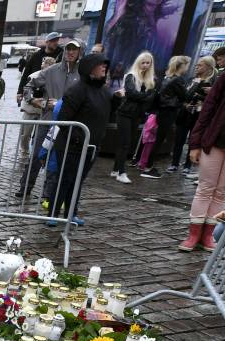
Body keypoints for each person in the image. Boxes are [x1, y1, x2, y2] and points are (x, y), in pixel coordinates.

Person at [51, 53, 120, 225]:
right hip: (70, 146)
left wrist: (117, 101)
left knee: (78, 181)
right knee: (64, 179)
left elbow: (107, 116)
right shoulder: (77, 90)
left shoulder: (104, 91)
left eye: (106, 65)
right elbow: (63, 119)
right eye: (100, 65)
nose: (104, 67)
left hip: (91, 147)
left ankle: (70, 213)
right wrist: (78, 138)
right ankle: (52, 214)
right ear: (90, 69)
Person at [17, 39, 81, 198]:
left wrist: (61, 104)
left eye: (74, 50)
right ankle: (25, 187)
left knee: (57, 161)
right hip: (47, 120)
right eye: (68, 49)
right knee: (37, 155)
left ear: (80, 52)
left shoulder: (82, 75)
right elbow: (28, 85)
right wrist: (33, 100)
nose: (70, 52)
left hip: (67, 125)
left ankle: (48, 195)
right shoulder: (51, 71)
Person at [185, 68, 225, 251]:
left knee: (222, 192)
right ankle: (194, 235)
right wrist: (195, 143)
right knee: (205, 188)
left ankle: (208, 235)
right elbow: (208, 109)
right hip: (215, 141)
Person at [141, 55, 190, 179]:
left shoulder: (168, 77)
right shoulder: (178, 80)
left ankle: (148, 166)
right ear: (182, 66)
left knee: (157, 140)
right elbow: (186, 96)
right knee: (158, 141)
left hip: (162, 112)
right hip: (168, 113)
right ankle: (148, 168)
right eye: (187, 65)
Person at [111, 51, 156, 185]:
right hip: (124, 113)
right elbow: (131, 94)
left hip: (136, 115)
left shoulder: (149, 80)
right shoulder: (131, 76)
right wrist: (146, 96)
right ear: (138, 63)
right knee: (125, 143)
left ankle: (116, 170)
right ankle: (121, 172)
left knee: (125, 144)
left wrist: (144, 96)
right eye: (143, 62)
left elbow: (150, 96)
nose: (145, 65)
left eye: (148, 63)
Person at [171, 56, 215, 176]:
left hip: (198, 116)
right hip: (185, 114)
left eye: (200, 65)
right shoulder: (191, 80)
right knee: (179, 139)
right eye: (197, 64)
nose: (196, 67)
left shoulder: (211, 83)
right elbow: (182, 97)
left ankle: (187, 166)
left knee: (193, 141)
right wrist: (185, 104)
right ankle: (174, 163)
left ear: (208, 67)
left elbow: (213, 101)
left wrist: (202, 98)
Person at [18, 56, 56, 155]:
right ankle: (24, 149)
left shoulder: (55, 79)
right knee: (25, 133)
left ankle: (35, 151)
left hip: (44, 111)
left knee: (39, 135)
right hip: (30, 109)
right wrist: (32, 99)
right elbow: (26, 90)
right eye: (44, 66)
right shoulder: (33, 76)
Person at [16, 32, 63, 106]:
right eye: (53, 41)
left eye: (57, 40)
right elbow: (25, 74)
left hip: (51, 98)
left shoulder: (61, 55)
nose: (56, 43)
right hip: (34, 96)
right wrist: (19, 92)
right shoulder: (36, 55)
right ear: (47, 42)